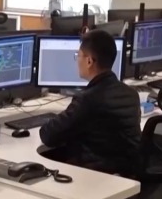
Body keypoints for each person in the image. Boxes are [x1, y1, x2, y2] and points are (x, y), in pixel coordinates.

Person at [39, 30, 141, 176]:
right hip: (125, 176)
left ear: (89, 61)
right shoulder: (131, 94)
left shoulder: (87, 99)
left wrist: (51, 119)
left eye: (78, 55)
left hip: (93, 177)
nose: (77, 60)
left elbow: (48, 135)